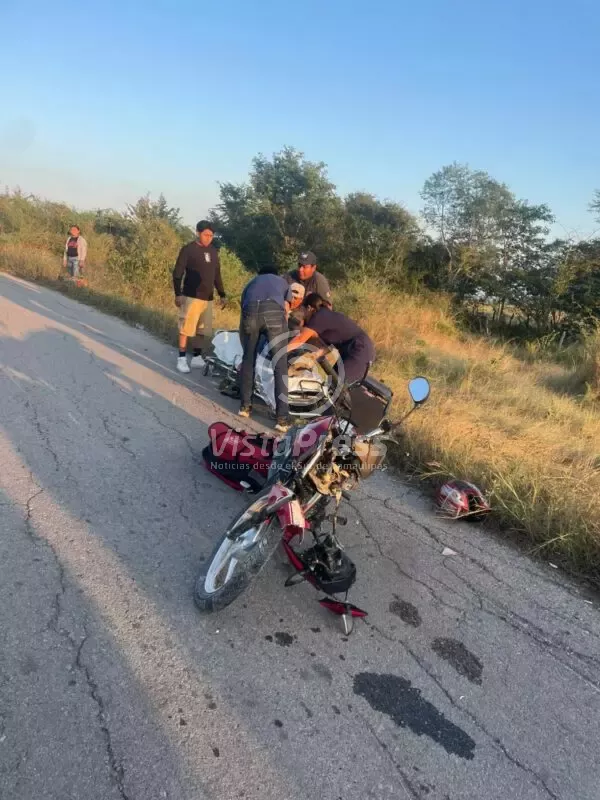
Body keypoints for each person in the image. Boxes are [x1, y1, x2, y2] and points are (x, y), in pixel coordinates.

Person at [239, 266, 293, 432]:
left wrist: (245, 346)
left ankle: (245, 407)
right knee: (280, 365)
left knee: (248, 360)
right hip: (273, 312)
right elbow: (286, 308)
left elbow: (243, 310)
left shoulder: (252, 282)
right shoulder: (283, 282)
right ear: (276, 274)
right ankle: (282, 419)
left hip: (250, 312)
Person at [172, 221, 226, 374]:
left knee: (202, 330)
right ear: (198, 233)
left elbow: (217, 274)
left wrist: (222, 293)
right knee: (186, 328)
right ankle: (181, 358)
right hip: (191, 296)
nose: (209, 238)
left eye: (211, 235)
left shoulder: (213, 251)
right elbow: (177, 273)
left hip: (207, 297)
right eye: (206, 235)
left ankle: (196, 356)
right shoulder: (188, 250)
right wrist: (178, 294)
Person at [288, 293, 375, 384]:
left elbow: (300, 339)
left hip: (360, 349)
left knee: (338, 384)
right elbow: (328, 346)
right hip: (351, 349)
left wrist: (281, 353)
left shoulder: (319, 316)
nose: (302, 314)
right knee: (331, 381)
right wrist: (314, 356)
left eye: (302, 309)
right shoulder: (324, 315)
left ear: (309, 308)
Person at [285, 251, 332, 328]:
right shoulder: (289, 277)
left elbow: (328, 307)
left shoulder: (319, 280)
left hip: (311, 320)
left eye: (304, 267)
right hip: (289, 315)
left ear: (313, 268)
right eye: (299, 265)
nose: (300, 269)